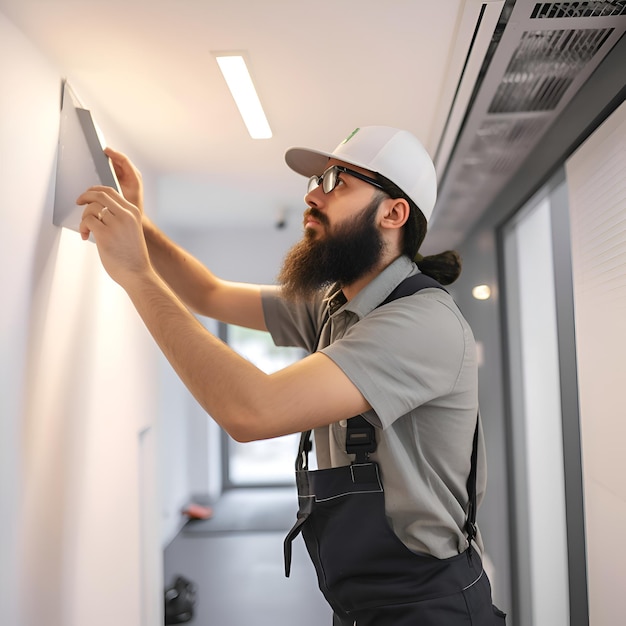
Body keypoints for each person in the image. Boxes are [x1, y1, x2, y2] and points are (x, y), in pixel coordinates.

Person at [78, 126, 505, 625]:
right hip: (362, 605)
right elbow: (209, 294)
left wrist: (135, 273)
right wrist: (140, 225)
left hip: (431, 609)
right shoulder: (337, 305)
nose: (311, 194)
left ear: (393, 212)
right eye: (315, 180)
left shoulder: (421, 324)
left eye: (336, 181)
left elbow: (252, 410)